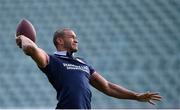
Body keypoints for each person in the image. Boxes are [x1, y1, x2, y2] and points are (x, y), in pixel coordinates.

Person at [16, 28, 162, 109]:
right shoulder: (52, 60)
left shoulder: (83, 63)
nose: (76, 39)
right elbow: (30, 49)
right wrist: (22, 37)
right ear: (59, 40)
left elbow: (108, 87)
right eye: (72, 37)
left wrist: (135, 96)